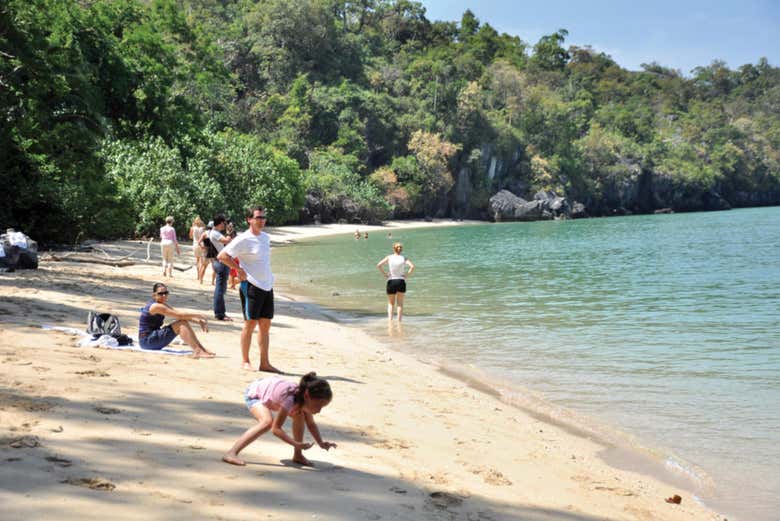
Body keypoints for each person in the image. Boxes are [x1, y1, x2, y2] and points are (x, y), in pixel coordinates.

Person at [222, 372, 336, 467]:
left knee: (300, 415)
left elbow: (311, 424)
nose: (319, 410)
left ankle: (298, 455)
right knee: (267, 422)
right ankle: (231, 453)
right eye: (317, 406)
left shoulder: (303, 400)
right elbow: (276, 429)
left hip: (271, 391)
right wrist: (295, 443)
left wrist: (321, 443)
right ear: (307, 395)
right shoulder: (290, 399)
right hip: (255, 393)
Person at [217, 206, 278, 372]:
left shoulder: (266, 237)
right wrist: (239, 270)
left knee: (265, 325)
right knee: (249, 324)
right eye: (258, 217)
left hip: (267, 285)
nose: (262, 220)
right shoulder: (243, 239)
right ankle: (245, 361)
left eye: (263, 217)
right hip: (251, 285)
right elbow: (222, 256)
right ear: (249, 219)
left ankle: (264, 363)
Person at [138, 282, 215, 358]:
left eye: (166, 293)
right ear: (154, 295)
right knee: (181, 324)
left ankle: (201, 349)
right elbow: (180, 315)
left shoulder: (161, 304)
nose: (164, 295)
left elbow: (178, 315)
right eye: (160, 293)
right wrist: (199, 314)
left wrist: (199, 321)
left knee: (182, 322)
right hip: (147, 341)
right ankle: (198, 350)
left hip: (150, 339)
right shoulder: (156, 306)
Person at [377, 242, 415, 321]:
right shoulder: (404, 258)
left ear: (393, 249)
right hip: (401, 281)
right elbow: (412, 267)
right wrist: (406, 275)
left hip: (391, 281)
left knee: (391, 303)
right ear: (401, 249)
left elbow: (379, 265)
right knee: (400, 304)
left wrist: (385, 274)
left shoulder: (389, 257)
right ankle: (399, 322)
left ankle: (390, 321)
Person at [209, 215, 233, 321]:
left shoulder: (215, 233)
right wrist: (229, 232)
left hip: (219, 261)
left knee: (221, 289)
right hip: (221, 262)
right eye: (224, 223)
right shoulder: (215, 233)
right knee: (220, 289)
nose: (225, 225)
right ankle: (220, 314)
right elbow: (227, 241)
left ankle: (220, 312)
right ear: (220, 223)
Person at [189, 216, 206, 284]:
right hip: (202, 244)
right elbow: (205, 237)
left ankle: (198, 275)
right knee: (202, 261)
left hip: (195, 244)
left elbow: (190, 237)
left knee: (197, 260)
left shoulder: (192, 228)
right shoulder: (203, 228)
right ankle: (201, 277)